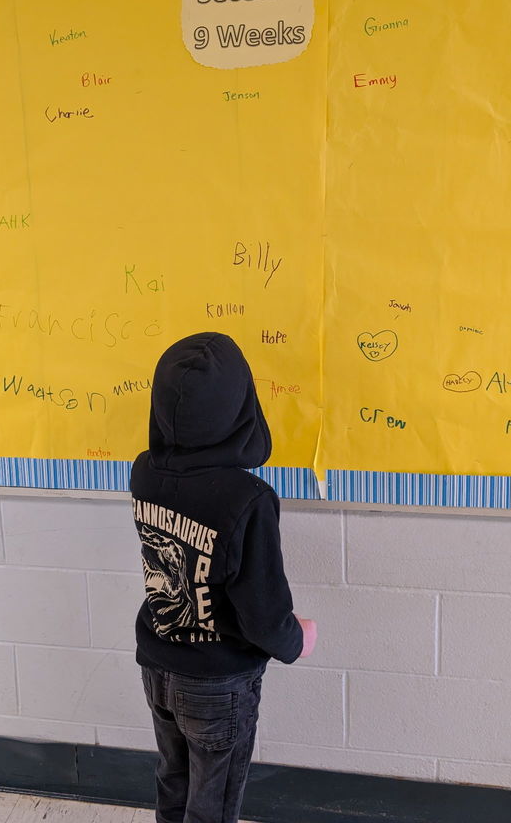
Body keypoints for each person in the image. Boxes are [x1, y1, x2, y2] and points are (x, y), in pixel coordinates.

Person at [130, 332, 317, 823]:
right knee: (212, 805)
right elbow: (263, 612)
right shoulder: (247, 498)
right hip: (217, 681)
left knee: (174, 781)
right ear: (240, 407)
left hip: (158, 662)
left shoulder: (143, 471)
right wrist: (297, 640)